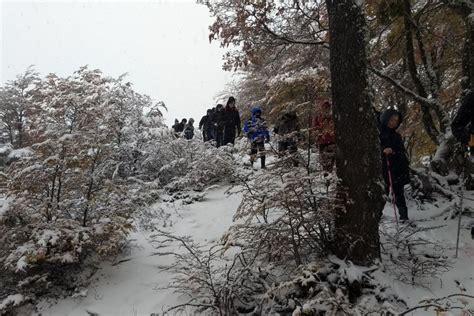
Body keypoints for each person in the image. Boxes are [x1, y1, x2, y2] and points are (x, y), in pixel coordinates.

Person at [379, 109, 410, 221]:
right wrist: (383, 151)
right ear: (386, 119)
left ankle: (404, 217)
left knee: (399, 193)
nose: (394, 123)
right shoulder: (377, 133)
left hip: (396, 169)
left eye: (396, 121)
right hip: (382, 169)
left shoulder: (397, 136)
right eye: (392, 119)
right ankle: (377, 215)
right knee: (382, 193)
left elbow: (402, 153)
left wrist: (394, 152)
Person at [312, 100, 336, 172]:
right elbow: (314, 130)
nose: (327, 109)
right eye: (325, 107)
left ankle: (330, 176)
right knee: (325, 163)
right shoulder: (318, 117)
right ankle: (326, 178)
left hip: (332, 142)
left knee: (331, 162)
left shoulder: (333, 116)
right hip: (323, 143)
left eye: (328, 107)